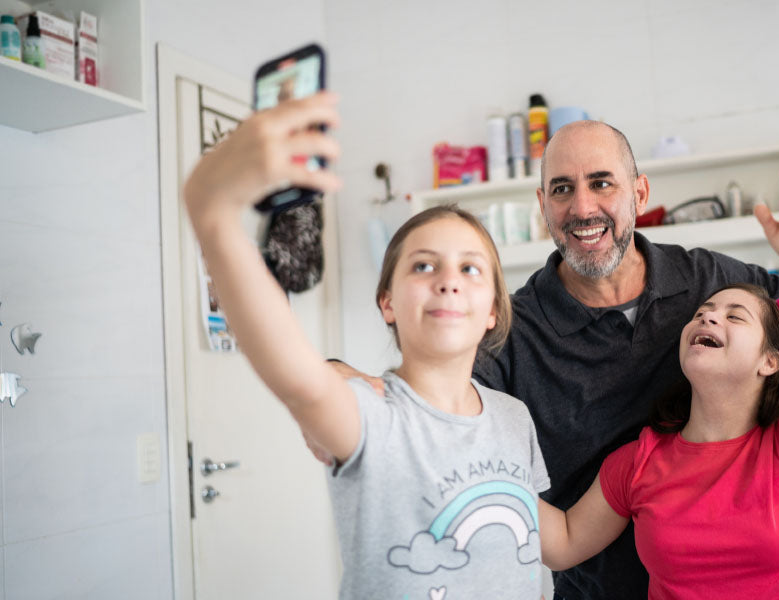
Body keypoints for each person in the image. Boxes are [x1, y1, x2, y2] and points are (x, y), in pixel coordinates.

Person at [328, 120, 779, 599]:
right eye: (561, 189)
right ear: (542, 208)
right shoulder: (514, 328)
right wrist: (350, 393)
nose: (582, 207)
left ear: (639, 194)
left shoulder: (710, 282)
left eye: (601, 184)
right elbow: (435, 400)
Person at [183, 92, 550, 599]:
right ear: (388, 302)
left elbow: (550, 542)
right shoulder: (371, 415)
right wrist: (212, 212)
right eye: (424, 265)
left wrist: (632, 477)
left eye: (470, 268)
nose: (448, 280)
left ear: (492, 309)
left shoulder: (514, 418)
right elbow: (296, 375)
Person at [537, 166, 779, 599]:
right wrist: (486, 459)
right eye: (703, 312)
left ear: (770, 361)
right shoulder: (638, 462)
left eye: (734, 316)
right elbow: (564, 542)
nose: (709, 317)